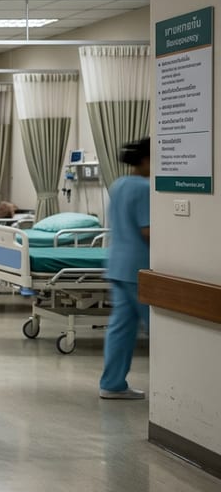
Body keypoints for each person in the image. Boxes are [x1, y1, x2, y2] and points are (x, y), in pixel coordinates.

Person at [99, 137, 151, 400]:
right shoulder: (144, 188)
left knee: (122, 327)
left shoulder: (119, 185)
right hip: (139, 268)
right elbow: (147, 231)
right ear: (145, 160)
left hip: (118, 265)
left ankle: (113, 383)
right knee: (163, 328)